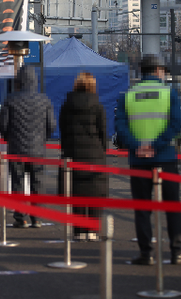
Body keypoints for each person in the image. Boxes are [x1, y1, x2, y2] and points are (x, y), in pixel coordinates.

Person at [115, 54, 181, 266]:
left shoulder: (128, 95)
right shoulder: (168, 93)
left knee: (142, 209)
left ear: (141, 71)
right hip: (165, 157)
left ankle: (145, 253)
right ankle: (178, 251)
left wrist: (138, 146)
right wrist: (156, 146)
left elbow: (121, 128)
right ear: (158, 70)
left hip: (138, 159)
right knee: (172, 206)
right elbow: (176, 124)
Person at [0, 65, 56, 228]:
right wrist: (43, 138)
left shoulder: (11, 99)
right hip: (38, 149)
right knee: (38, 183)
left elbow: (3, 123)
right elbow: (51, 124)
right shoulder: (44, 100)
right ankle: (36, 217)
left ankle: (20, 216)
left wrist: (8, 137)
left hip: (16, 148)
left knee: (17, 183)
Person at [59, 71, 107, 242]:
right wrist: (102, 150)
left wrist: (66, 149)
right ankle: (93, 230)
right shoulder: (98, 106)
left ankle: (79, 230)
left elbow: (63, 132)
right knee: (94, 193)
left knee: (76, 193)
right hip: (94, 154)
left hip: (73, 154)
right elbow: (103, 132)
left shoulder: (66, 105)